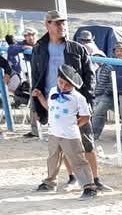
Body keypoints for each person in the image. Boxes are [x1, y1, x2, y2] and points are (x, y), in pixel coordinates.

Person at [30, 10, 112, 192]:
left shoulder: (77, 48)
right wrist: (37, 105)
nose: (62, 26)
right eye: (57, 23)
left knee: (87, 142)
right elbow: (36, 77)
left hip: (75, 102)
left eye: (63, 23)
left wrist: (87, 102)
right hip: (53, 102)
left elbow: (90, 77)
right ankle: (72, 177)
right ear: (48, 25)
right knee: (61, 141)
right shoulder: (39, 49)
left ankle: (95, 179)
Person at [33, 65, 97, 200]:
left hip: (70, 134)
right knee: (53, 158)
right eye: (61, 82)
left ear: (73, 85)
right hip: (53, 132)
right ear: (57, 79)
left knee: (77, 160)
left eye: (67, 85)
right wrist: (40, 97)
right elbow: (49, 107)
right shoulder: (52, 91)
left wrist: (74, 125)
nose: (63, 87)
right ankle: (50, 182)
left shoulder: (78, 98)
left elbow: (86, 116)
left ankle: (89, 186)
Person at [91, 42, 122, 143]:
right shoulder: (115, 63)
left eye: (121, 50)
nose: (119, 52)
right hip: (120, 94)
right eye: (117, 51)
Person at [8, 27, 39, 137]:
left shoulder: (41, 44)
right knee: (34, 103)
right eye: (27, 35)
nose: (30, 37)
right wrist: (23, 47)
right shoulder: (23, 44)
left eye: (32, 35)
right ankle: (35, 130)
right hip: (32, 78)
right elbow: (11, 49)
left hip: (44, 77)